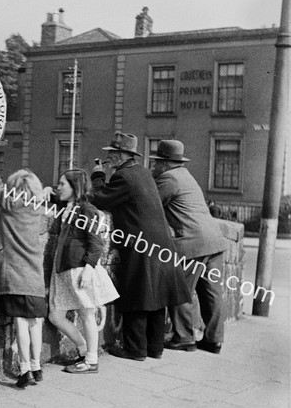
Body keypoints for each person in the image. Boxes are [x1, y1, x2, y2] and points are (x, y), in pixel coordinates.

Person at [89, 132, 190, 361]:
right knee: (157, 296)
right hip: (161, 241)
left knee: (137, 293)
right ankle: (155, 349)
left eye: (112, 153)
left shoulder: (123, 177)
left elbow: (98, 200)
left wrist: (97, 176)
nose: (109, 157)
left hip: (141, 244)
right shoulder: (143, 173)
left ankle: (135, 350)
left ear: (123, 155)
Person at [150, 140, 227, 354]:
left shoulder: (169, 178)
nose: (154, 166)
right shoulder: (186, 175)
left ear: (165, 163)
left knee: (179, 287)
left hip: (193, 242)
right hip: (215, 240)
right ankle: (214, 340)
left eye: (156, 163)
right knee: (211, 293)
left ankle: (184, 336)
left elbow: (150, 204)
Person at [0, 138, 47, 388]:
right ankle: (37, 366)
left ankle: (24, 371)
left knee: (20, 322)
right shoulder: (39, 207)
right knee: (35, 324)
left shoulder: (9, 205)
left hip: (15, 275)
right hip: (35, 276)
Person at [47, 169, 106, 374]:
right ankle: (84, 350)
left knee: (87, 314)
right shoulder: (68, 206)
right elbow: (55, 197)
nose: (58, 187)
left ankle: (91, 361)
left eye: (62, 184)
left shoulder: (87, 210)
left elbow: (97, 243)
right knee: (55, 315)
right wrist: (49, 191)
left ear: (75, 187)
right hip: (65, 268)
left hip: (80, 268)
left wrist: (89, 269)